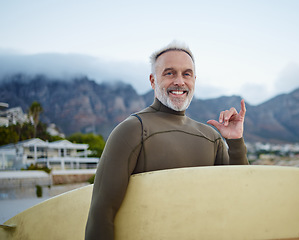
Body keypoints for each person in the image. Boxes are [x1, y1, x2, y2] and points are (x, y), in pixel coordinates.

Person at [85, 41, 249, 240]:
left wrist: (235, 141)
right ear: (153, 81)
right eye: (169, 73)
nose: (179, 81)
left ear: (194, 80)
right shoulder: (132, 130)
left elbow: (238, 194)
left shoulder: (211, 137)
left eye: (186, 74)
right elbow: (102, 212)